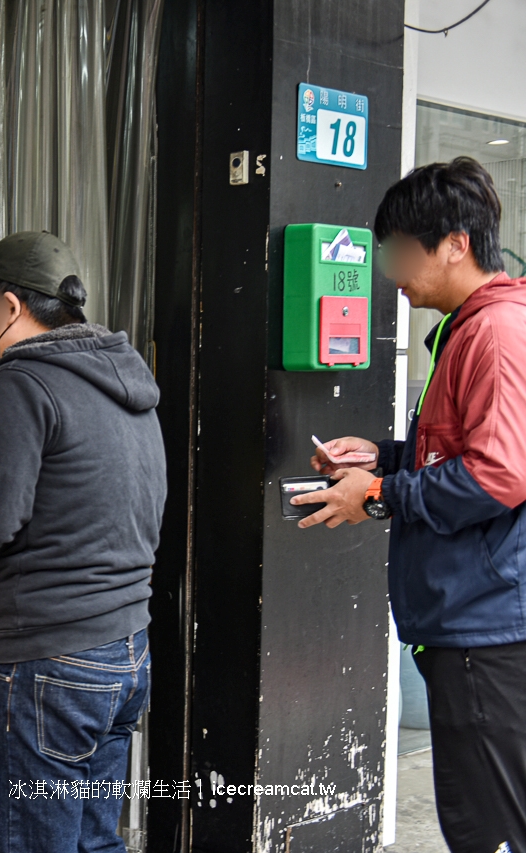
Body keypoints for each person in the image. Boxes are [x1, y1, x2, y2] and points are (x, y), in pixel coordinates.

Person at [295, 157, 526, 853]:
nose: (391, 274)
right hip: (468, 619)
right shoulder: (470, 326)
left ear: (456, 243)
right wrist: (384, 455)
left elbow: (498, 476)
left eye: (400, 251)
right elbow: (459, 451)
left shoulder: (494, 333)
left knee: (492, 826)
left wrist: (375, 494)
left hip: (485, 628)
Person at [0, 231, 167, 853]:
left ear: (5, 307)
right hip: (127, 653)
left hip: (48, 663)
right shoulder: (127, 380)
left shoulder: (21, 382)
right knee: (94, 843)